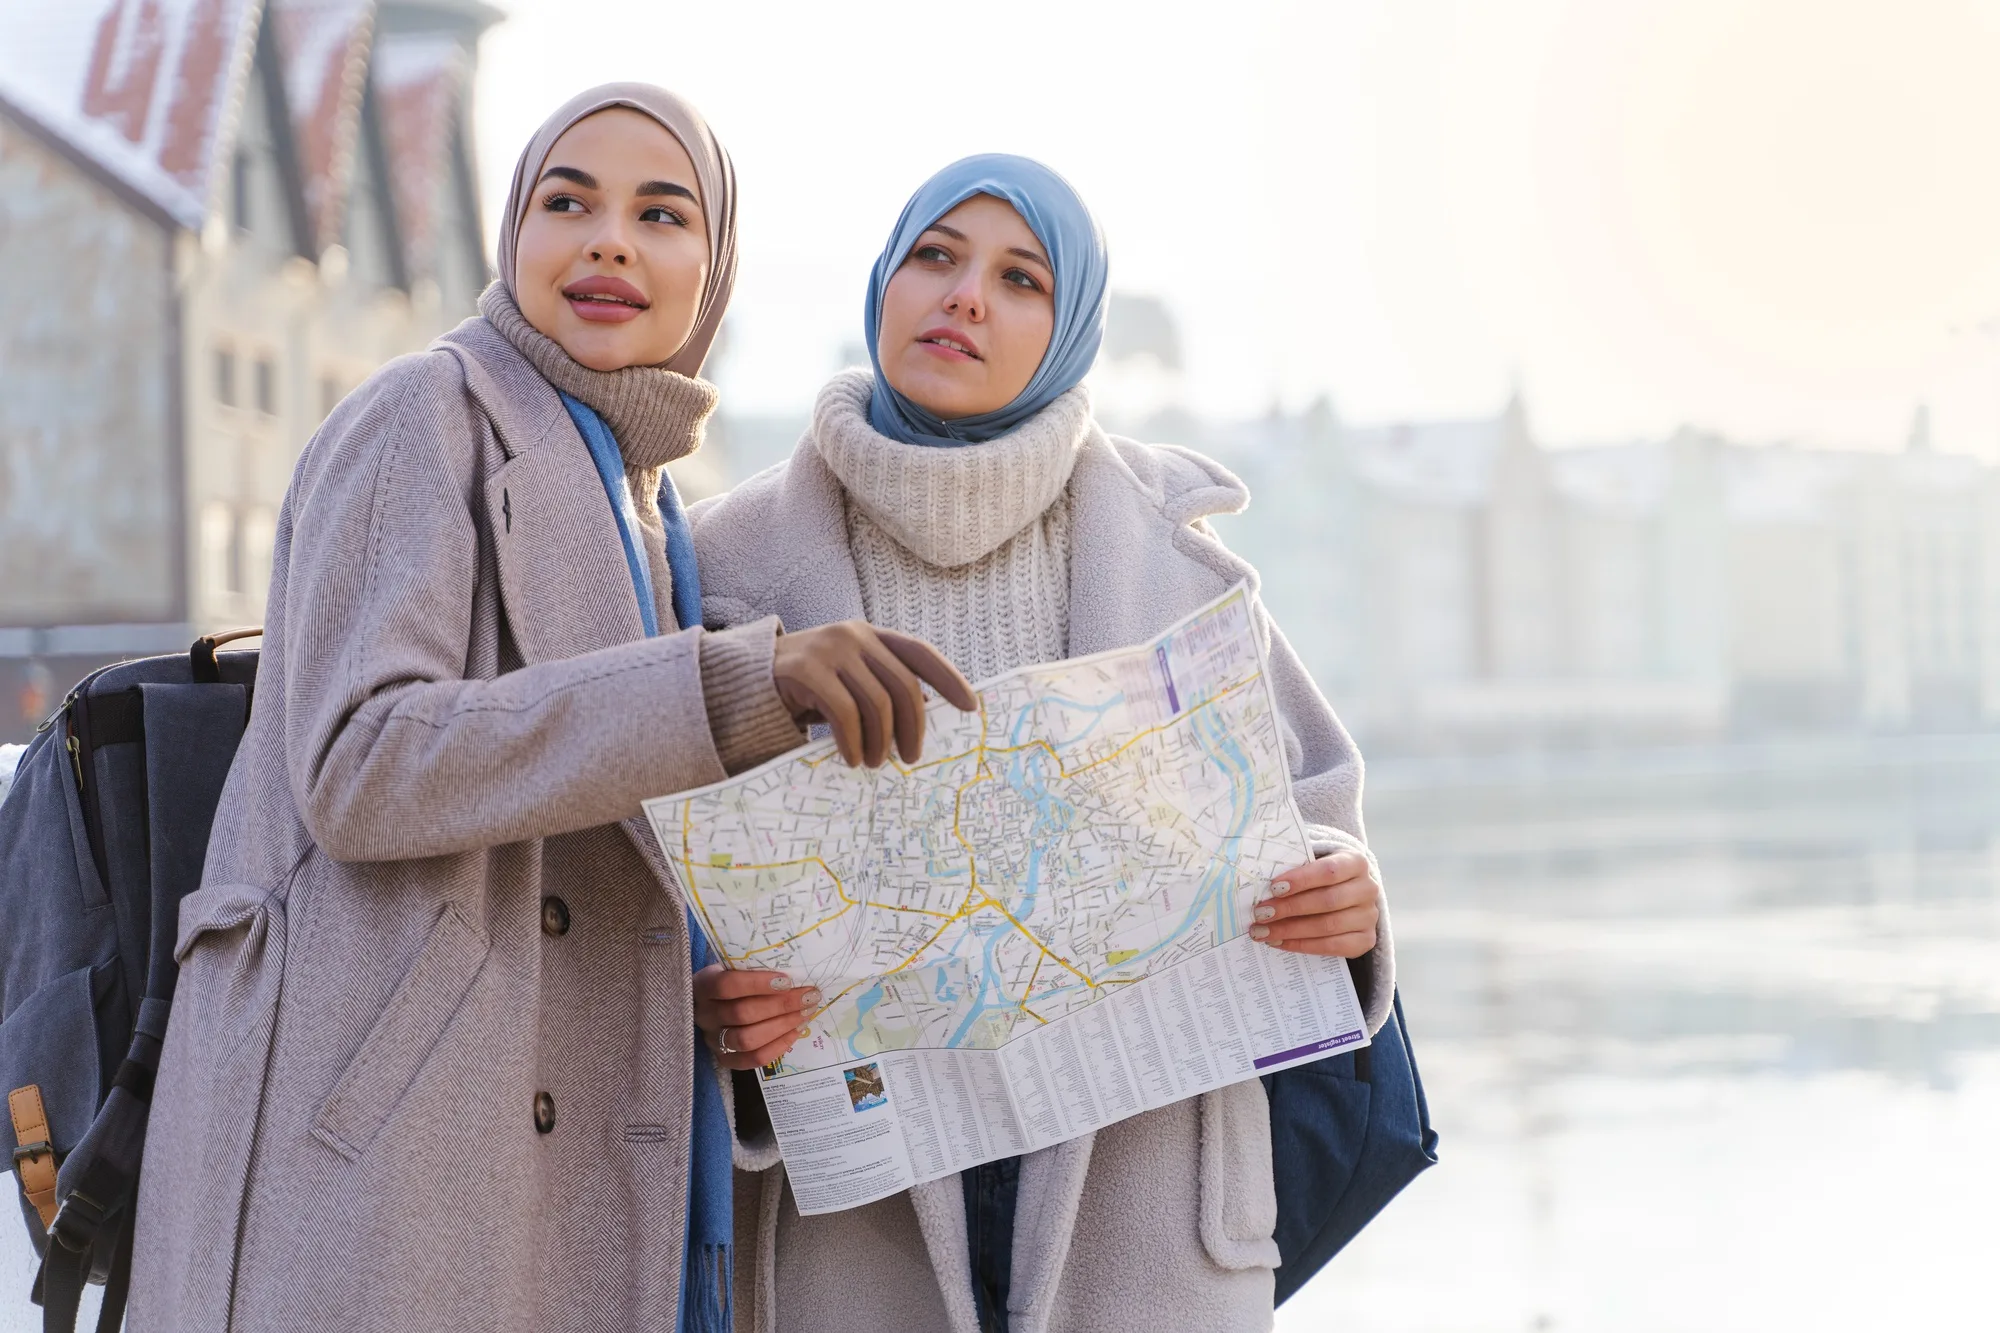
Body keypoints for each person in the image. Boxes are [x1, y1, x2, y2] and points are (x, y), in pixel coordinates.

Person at [129, 85, 971, 1333]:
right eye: (565, 201)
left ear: (715, 269)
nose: (608, 240)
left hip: (534, 1168)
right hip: (384, 1184)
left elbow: (582, 868)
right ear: (511, 232)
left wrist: (696, 999)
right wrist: (734, 681)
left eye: (662, 214)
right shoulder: (425, 414)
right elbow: (362, 763)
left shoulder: (644, 501)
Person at [688, 155, 1395, 1333]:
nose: (964, 296)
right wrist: (715, 1016)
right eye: (934, 256)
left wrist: (1346, 899)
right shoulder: (718, 568)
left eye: (1020, 278)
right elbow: (642, 898)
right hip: (850, 1221)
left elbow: (1321, 815)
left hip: (1145, 1211)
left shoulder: (1175, 553)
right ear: (880, 284)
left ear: (1069, 333)